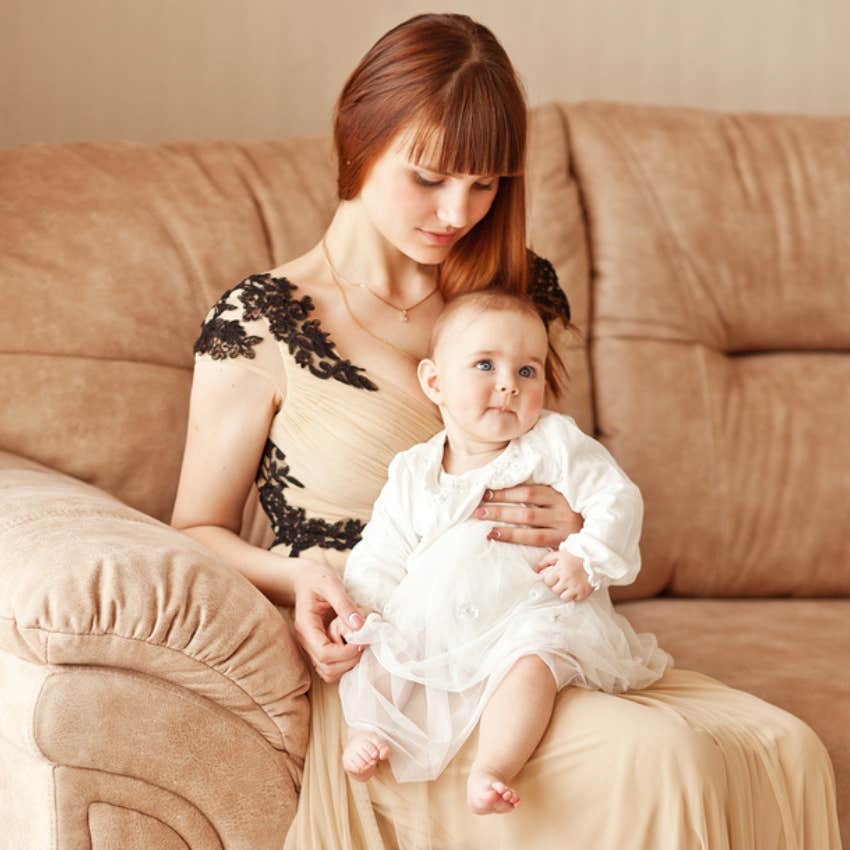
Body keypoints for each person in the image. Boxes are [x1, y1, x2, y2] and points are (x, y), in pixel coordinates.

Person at [171, 12, 841, 850]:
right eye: (430, 177)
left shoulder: (523, 295)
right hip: (402, 665)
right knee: (663, 758)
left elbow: (563, 465)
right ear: (359, 137)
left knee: (788, 746)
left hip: (527, 635)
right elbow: (194, 526)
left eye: (485, 184)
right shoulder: (264, 320)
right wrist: (295, 576)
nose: (457, 211)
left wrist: (572, 523)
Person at [332, 291, 674, 813]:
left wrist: (586, 556)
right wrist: (360, 611)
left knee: (535, 663)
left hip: (530, 611)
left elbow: (615, 497)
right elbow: (383, 548)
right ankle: (365, 730)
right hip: (437, 620)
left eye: (528, 371)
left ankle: (493, 768)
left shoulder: (554, 444)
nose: (509, 383)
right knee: (384, 649)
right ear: (434, 382)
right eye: (485, 365)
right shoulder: (413, 471)